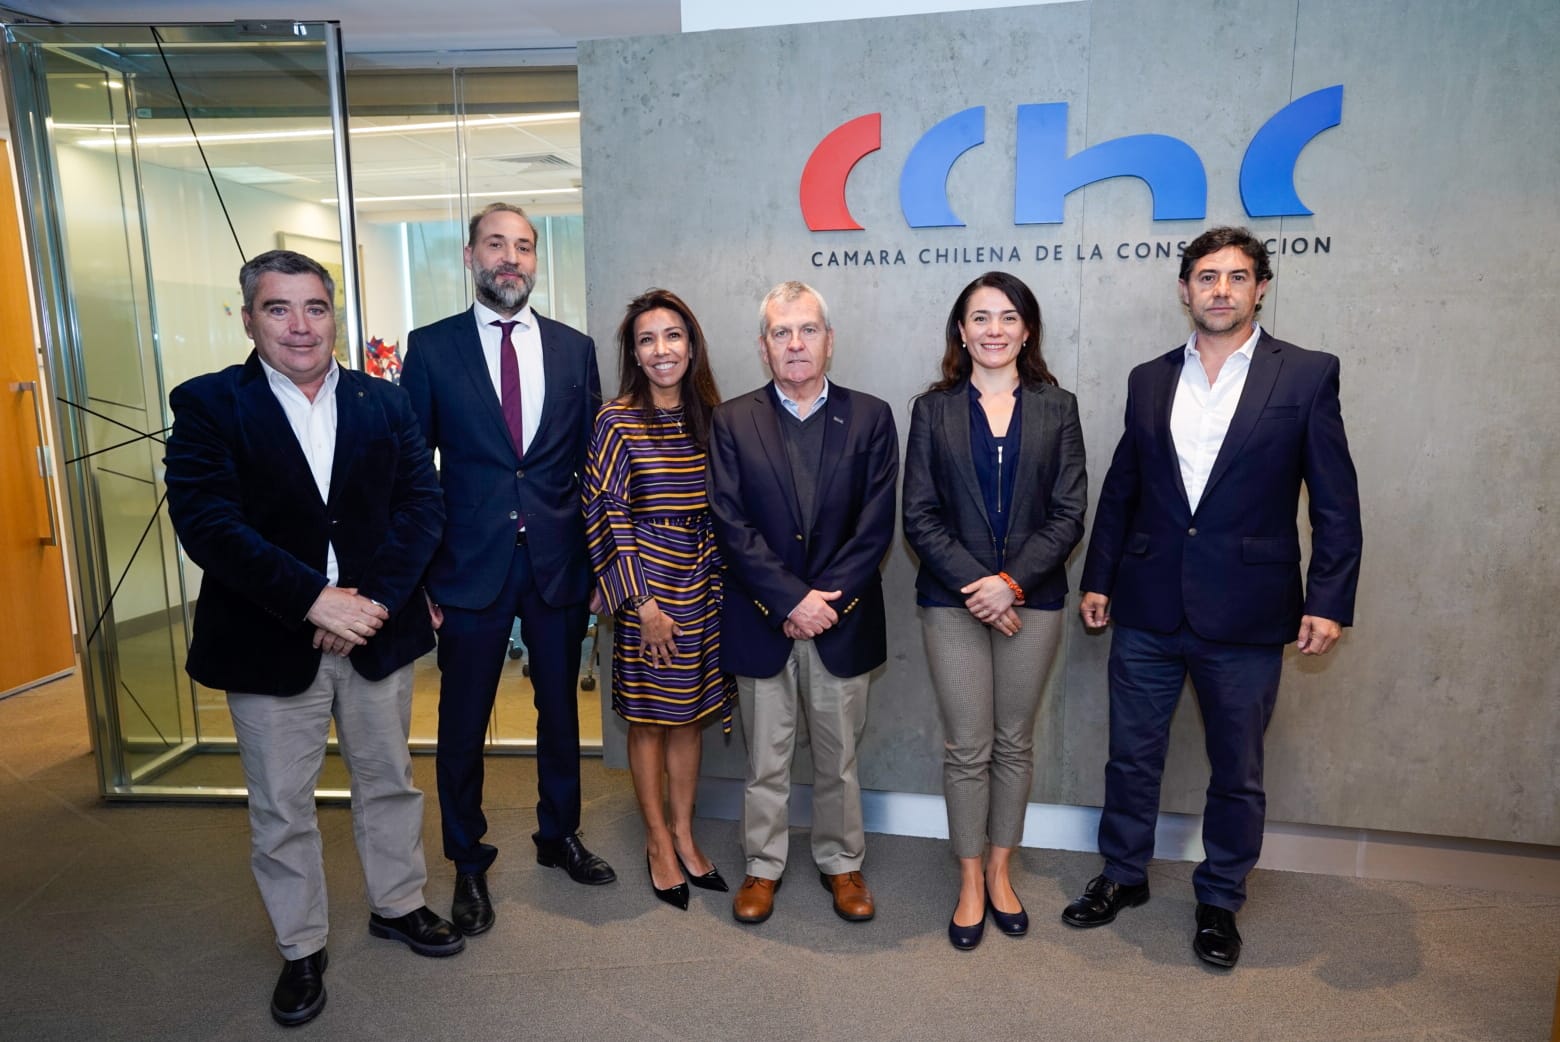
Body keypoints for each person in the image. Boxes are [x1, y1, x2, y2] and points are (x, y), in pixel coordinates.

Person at [164, 250, 462, 1028]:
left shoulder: (384, 402)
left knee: (388, 781)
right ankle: (301, 948)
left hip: (374, 632)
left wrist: (367, 604)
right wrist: (312, 602)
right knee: (282, 807)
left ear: (336, 315)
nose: (300, 326)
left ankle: (398, 905)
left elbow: (421, 507)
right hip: (268, 640)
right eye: (278, 308)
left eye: (314, 308)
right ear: (248, 319)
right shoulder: (208, 405)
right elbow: (208, 525)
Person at [1061, 226, 1362, 968]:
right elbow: (1124, 486)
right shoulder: (1149, 377)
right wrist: (1098, 576)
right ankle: (1123, 874)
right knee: (1130, 757)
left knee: (1238, 768)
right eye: (1205, 277)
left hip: (1249, 611)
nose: (1219, 290)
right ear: (1184, 289)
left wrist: (1328, 597)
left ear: (1261, 287)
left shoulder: (1307, 375)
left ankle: (1221, 896)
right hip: (1147, 603)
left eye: (1235, 277)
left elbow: (1335, 501)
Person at [401, 202, 614, 940]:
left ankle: (559, 835)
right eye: (496, 244)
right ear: (470, 256)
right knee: (461, 724)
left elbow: (592, 469)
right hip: (466, 570)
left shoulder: (574, 348)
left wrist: (595, 567)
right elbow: (410, 474)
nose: (511, 258)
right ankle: (467, 858)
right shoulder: (430, 350)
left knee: (562, 713)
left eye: (523, 247)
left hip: (557, 567)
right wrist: (422, 577)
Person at [902, 272, 1087, 950]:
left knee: (1014, 742)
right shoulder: (933, 410)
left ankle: (1003, 869)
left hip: (1032, 601)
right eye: (979, 318)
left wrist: (1010, 583)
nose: (994, 330)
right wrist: (979, 587)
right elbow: (917, 516)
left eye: (1007, 317)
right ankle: (970, 878)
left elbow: (1070, 513)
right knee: (967, 747)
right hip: (952, 602)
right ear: (961, 330)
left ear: (1027, 328)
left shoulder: (1057, 407)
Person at [708, 280, 899, 925]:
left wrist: (825, 604)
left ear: (829, 340)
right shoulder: (732, 420)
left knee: (839, 759)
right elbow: (730, 524)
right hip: (764, 621)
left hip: (840, 623)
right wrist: (790, 601)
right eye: (781, 333)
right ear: (764, 348)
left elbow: (875, 527)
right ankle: (762, 868)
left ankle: (842, 864)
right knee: (766, 759)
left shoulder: (870, 416)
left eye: (807, 330)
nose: (795, 344)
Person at [583, 288, 733, 910]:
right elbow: (604, 513)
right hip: (647, 587)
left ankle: (684, 832)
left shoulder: (715, 417)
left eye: (672, 336)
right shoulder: (615, 420)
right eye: (647, 340)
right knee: (647, 719)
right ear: (635, 354)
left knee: (689, 717)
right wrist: (639, 605)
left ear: (691, 346)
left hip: (703, 585)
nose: (661, 349)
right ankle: (656, 842)